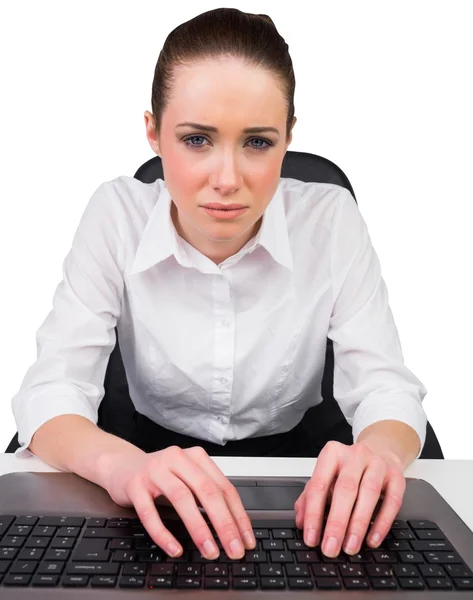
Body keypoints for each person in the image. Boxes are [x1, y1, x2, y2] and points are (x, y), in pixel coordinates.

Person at [11, 8, 428, 564]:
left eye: (257, 142)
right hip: (148, 450)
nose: (227, 179)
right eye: (197, 139)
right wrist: (123, 466)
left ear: (288, 139)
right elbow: (51, 390)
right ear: (154, 133)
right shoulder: (115, 215)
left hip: (297, 460)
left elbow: (386, 387)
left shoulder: (330, 220)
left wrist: (377, 451)